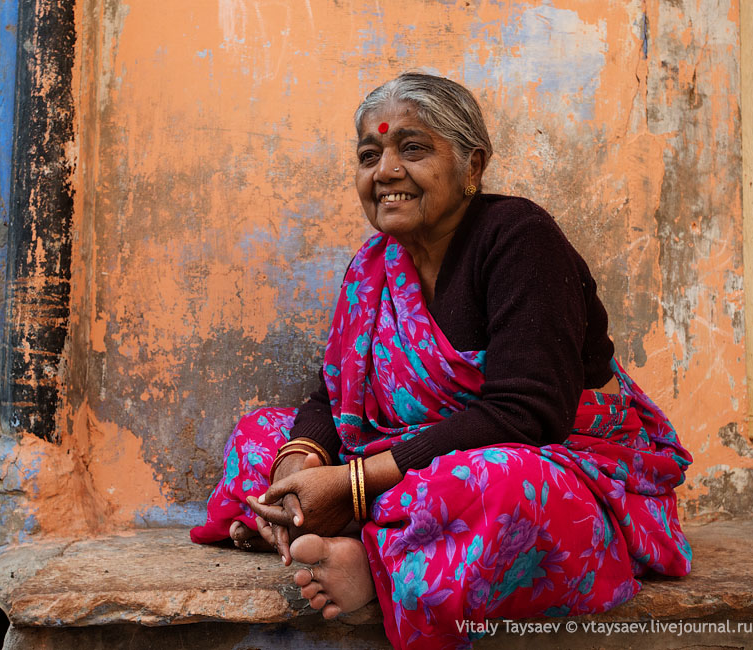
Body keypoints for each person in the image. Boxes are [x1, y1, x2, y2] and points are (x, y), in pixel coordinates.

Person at [190, 72, 692, 649]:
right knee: (263, 436)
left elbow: (527, 413)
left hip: (554, 456)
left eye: (413, 148)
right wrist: (296, 470)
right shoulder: (373, 266)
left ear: (473, 167)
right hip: (412, 451)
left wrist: (353, 484)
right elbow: (336, 397)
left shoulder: (520, 237)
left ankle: (370, 563)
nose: (385, 172)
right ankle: (312, 516)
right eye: (369, 154)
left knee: (497, 485)